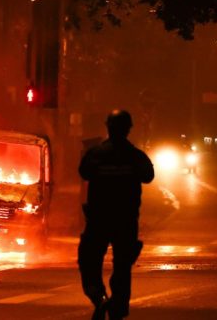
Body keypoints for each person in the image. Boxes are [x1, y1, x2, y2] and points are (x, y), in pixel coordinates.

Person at [78, 110, 154, 320]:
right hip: (125, 221)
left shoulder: (95, 154)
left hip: (98, 220)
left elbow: (83, 172)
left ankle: (98, 297)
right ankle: (117, 307)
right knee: (122, 268)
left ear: (108, 128)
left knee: (89, 262)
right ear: (128, 129)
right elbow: (148, 176)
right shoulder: (135, 156)